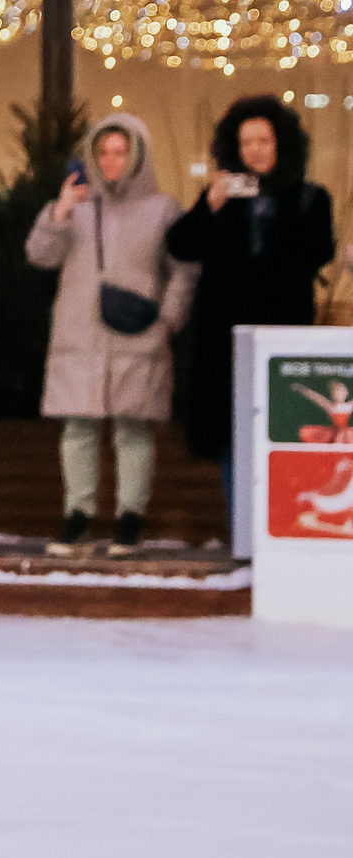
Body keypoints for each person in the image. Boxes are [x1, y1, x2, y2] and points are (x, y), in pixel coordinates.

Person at [24, 113, 197, 555]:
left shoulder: (163, 209)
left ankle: (129, 517)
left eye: (120, 152)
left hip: (139, 333)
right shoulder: (74, 207)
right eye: (103, 152)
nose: (111, 161)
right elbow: (39, 255)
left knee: (133, 427)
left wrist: (170, 315)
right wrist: (59, 212)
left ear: (137, 155)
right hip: (78, 334)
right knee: (78, 427)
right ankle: (77, 515)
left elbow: (183, 269)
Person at [167, 94, 340, 527]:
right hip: (223, 338)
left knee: (282, 431)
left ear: (281, 143)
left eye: (264, 140)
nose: (255, 151)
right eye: (247, 143)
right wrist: (210, 207)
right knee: (231, 436)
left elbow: (318, 251)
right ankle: (242, 530)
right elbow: (180, 245)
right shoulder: (223, 196)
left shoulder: (308, 197)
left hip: (283, 336)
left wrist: (273, 215)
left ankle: (279, 527)